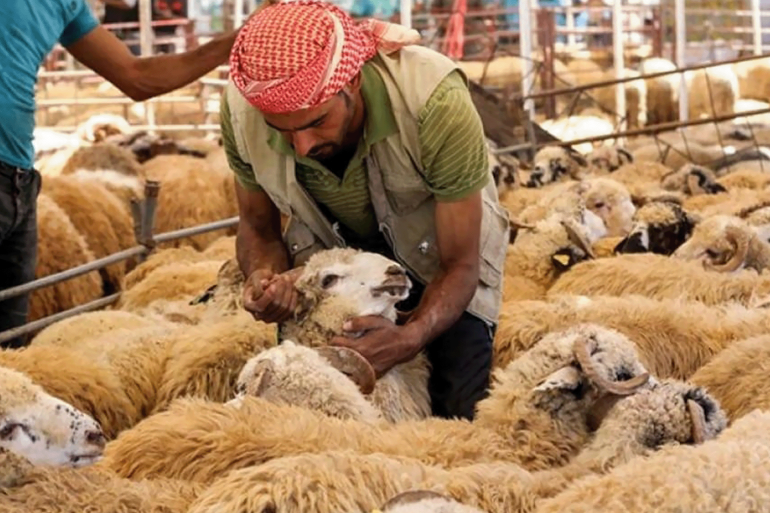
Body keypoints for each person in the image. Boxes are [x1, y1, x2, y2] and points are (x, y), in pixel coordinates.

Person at [221, 0, 509, 421]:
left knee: (454, 415)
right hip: (331, 268)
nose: (302, 146)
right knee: (313, 418)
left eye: (316, 121)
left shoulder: (433, 98)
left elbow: (460, 264)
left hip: (438, 255)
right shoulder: (242, 110)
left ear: (352, 81)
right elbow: (258, 228)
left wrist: (410, 336)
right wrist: (264, 278)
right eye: (281, 130)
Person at [0, 0, 243, 349]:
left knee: (9, 347)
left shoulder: (66, 5)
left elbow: (137, 77)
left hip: (19, 182)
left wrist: (234, 41)